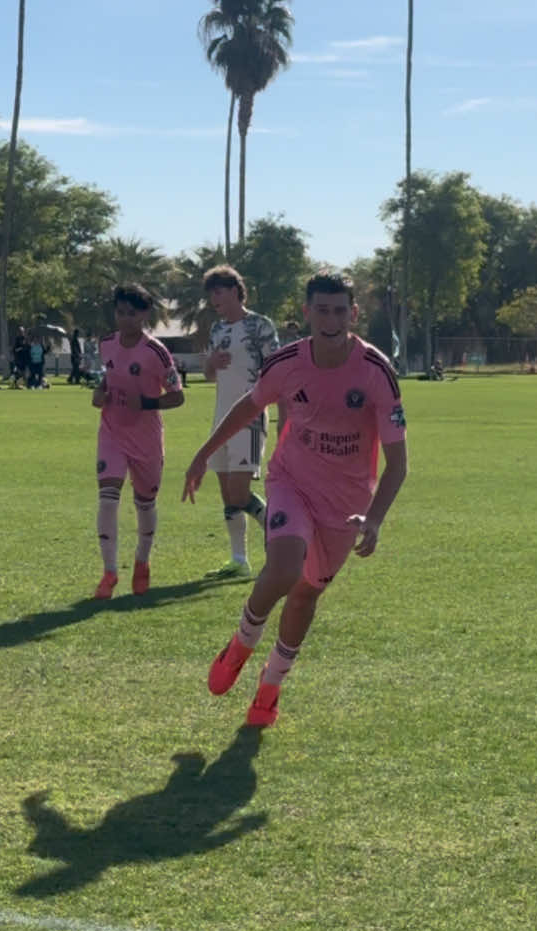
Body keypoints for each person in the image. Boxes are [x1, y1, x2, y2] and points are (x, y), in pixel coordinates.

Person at [183, 272, 407, 728]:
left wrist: (377, 519)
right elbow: (250, 406)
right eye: (321, 310)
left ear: (354, 314)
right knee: (284, 569)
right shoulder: (287, 362)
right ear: (307, 312)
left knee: (305, 596)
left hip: (345, 503)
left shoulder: (376, 370)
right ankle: (241, 644)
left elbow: (398, 462)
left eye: (340, 310)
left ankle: (270, 687)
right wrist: (204, 455)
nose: (331, 319)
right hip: (291, 482)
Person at [91, 284, 184, 599]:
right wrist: (100, 391)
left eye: (132, 313)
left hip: (145, 438)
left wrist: (145, 404)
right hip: (112, 432)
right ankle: (109, 572)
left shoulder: (155, 351)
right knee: (107, 497)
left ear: (144, 314)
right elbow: (108, 376)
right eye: (120, 312)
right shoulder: (106, 344)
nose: (125, 319)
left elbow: (178, 397)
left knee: (145, 503)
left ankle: (142, 563)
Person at [201, 264, 279, 579]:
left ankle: (282, 529)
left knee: (238, 492)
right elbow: (208, 376)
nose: (213, 299)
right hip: (221, 417)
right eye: (210, 294)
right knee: (227, 494)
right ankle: (239, 559)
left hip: (250, 416)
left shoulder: (260, 326)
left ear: (235, 290)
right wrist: (210, 362)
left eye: (218, 292)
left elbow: (276, 369)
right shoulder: (217, 331)